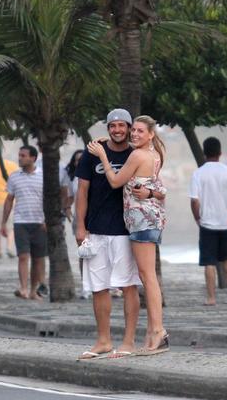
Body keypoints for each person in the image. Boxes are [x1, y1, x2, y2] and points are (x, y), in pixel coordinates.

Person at [88, 114, 168, 355]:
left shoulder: (137, 155)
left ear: (151, 134)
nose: (134, 134)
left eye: (140, 131)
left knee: (147, 276)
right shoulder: (154, 155)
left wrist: (103, 154)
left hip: (140, 220)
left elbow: (114, 181)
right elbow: (160, 190)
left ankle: (158, 331)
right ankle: (156, 331)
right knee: (147, 275)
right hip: (152, 217)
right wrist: (108, 141)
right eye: (133, 130)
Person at [190, 137, 227, 306]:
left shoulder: (198, 173)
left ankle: (211, 298)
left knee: (209, 261)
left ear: (204, 153)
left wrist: (198, 218)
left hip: (207, 223)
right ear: (219, 152)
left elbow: (195, 201)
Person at [1, 145, 46, 300]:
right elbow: (9, 200)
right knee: (23, 256)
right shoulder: (14, 177)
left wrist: (47, 220)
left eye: (23, 155)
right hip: (21, 222)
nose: (20, 158)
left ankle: (34, 290)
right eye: (19, 155)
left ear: (33, 158)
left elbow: (50, 199)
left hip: (40, 223)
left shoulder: (43, 176)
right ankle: (23, 288)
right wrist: (3, 223)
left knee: (38, 258)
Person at [65, 149, 88, 298]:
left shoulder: (96, 176)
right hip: (79, 219)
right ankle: (86, 287)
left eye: (82, 159)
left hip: (97, 219)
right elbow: (69, 197)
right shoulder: (73, 179)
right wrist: (67, 209)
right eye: (76, 160)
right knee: (84, 254)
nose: (79, 162)